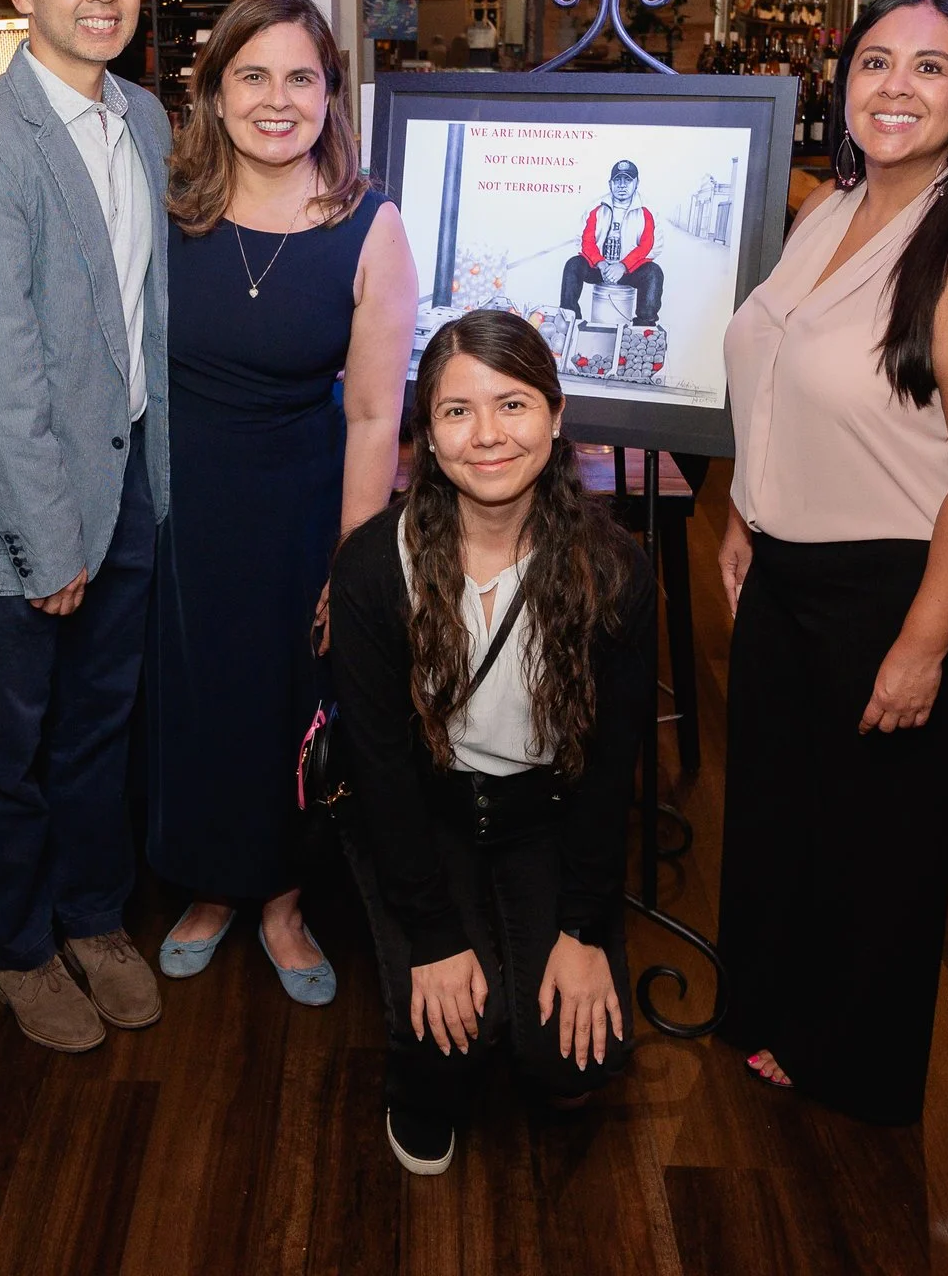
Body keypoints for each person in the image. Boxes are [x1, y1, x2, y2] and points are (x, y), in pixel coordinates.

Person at [716, 0, 948, 1126]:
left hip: (908, 574)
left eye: (929, 68)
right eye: (873, 62)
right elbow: (773, 372)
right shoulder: (831, 204)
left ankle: (851, 1060)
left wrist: (923, 644)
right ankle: (771, 1006)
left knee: (877, 838)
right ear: (841, 80)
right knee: (777, 804)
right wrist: (738, 516)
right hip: (791, 559)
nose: (894, 87)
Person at [0, 0, 170, 1053]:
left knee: (101, 729)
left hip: (126, 496)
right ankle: (18, 945)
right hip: (16, 515)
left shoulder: (148, 120)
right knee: (7, 751)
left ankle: (93, 915)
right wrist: (46, 538)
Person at [329, 309, 655, 1176]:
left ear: (554, 415)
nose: (487, 437)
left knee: (569, 1067)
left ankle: (532, 995)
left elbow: (610, 769)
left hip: (542, 814)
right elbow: (381, 776)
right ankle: (423, 1067)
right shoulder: (371, 566)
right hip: (423, 814)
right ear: (428, 439)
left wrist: (583, 931)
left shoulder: (616, 568)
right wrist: (434, 938)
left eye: (511, 405)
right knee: (451, 1054)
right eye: (456, 412)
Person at [147, 0, 418, 1001]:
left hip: (305, 503)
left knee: (290, 702)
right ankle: (211, 886)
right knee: (197, 697)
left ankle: (282, 900)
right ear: (213, 95)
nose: (276, 98)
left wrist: (347, 564)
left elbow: (372, 419)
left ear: (331, 94)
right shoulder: (169, 210)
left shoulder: (369, 228)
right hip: (184, 507)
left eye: (299, 76)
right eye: (250, 75)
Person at [559, 159, 664, 325]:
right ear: (610, 184)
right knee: (573, 265)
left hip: (629, 270)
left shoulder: (645, 210)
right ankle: (569, 319)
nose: (622, 185)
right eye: (617, 180)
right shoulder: (598, 207)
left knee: (654, 273)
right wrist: (600, 263)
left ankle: (644, 325)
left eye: (628, 180)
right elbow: (587, 240)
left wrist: (622, 266)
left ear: (637, 183)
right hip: (599, 268)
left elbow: (646, 245)